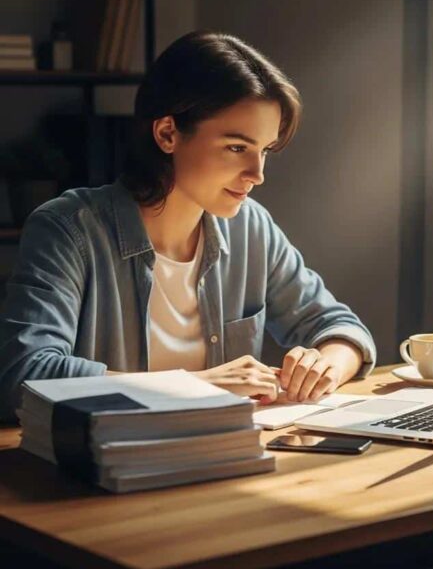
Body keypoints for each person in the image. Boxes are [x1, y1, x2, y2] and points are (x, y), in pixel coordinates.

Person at [0, 31, 376, 421]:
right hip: (103, 471)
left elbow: (341, 328)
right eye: (236, 148)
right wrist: (197, 385)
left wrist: (324, 364)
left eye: (264, 150)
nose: (257, 174)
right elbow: (25, 376)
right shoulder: (68, 230)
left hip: (219, 459)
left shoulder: (251, 227)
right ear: (167, 134)